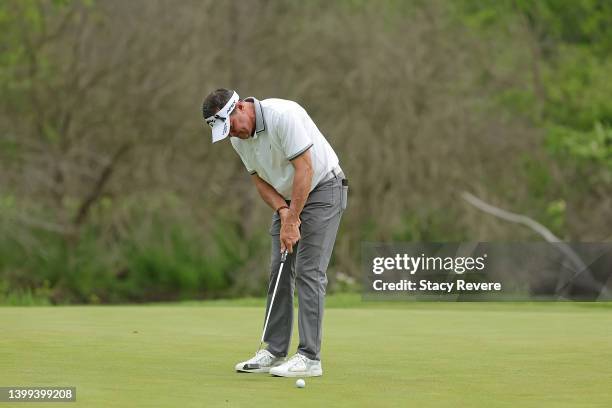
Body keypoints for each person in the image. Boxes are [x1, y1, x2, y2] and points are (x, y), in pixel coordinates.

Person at [201, 89, 347, 377]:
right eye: (225, 131)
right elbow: (259, 180)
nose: (231, 134)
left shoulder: (283, 115)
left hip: (323, 188)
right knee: (279, 269)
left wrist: (292, 221)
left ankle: (309, 357)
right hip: (289, 198)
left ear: (240, 107)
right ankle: (274, 350)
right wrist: (283, 212)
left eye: (231, 126)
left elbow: (305, 169)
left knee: (309, 271)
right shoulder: (238, 139)